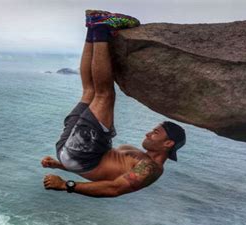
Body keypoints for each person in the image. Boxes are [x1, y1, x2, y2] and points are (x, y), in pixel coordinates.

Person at [42, 10, 186, 198]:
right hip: (70, 150)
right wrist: (60, 164)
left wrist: (66, 185)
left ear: (168, 143)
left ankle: (101, 27)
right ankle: (92, 28)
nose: (148, 133)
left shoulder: (150, 169)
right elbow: (102, 170)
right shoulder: (135, 153)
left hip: (79, 152)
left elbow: (114, 188)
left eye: (155, 133)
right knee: (90, 92)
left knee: (105, 95)